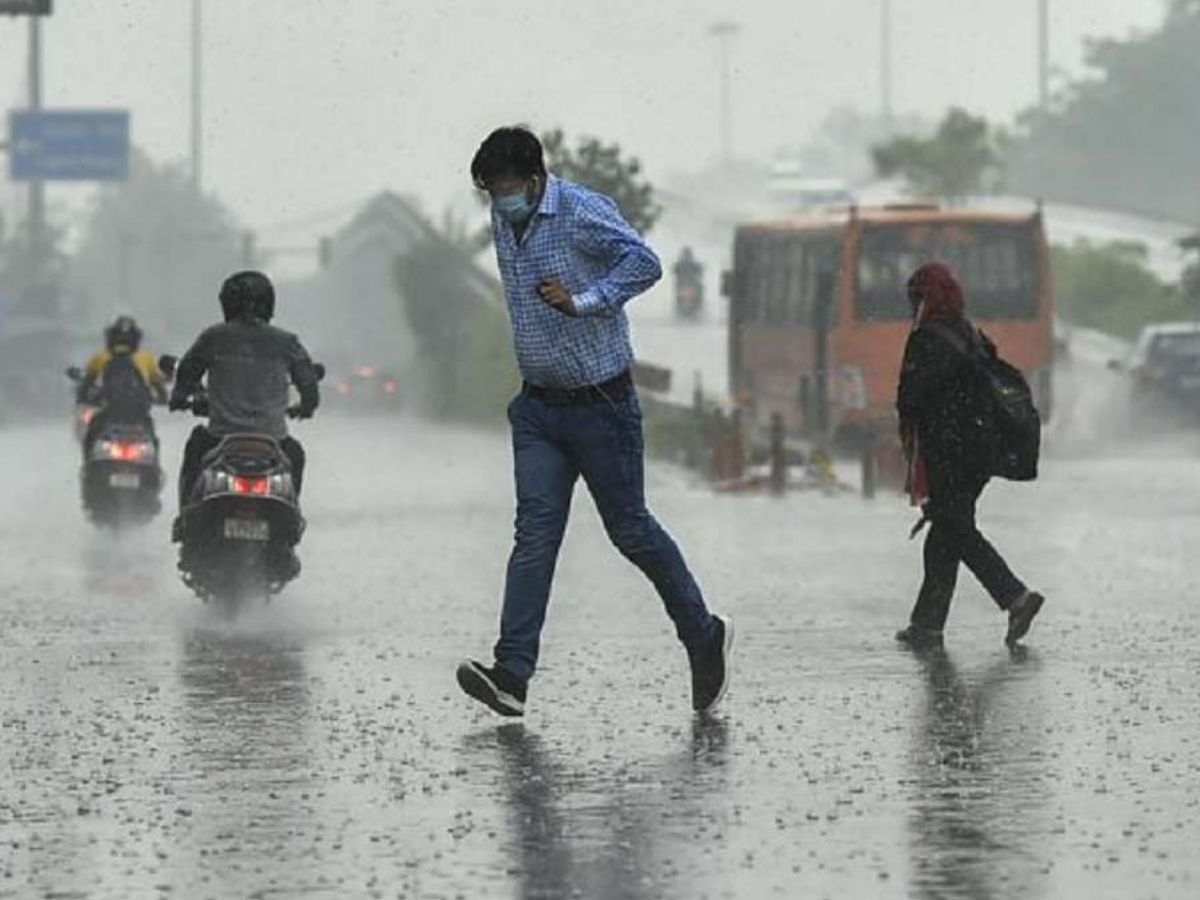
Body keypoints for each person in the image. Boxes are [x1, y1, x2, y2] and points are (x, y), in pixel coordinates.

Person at [456, 126, 733, 718]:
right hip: (538, 410)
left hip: (602, 406)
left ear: (534, 181)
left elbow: (646, 263)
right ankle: (512, 674)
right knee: (534, 537)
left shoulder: (581, 212)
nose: (498, 203)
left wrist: (584, 299)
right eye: (490, 193)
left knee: (630, 531)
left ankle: (703, 635)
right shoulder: (505, 221)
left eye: (505, 189)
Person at [894, 262, 1044, 648]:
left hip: (949, 452)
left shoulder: (926, 339)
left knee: (955, 529)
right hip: (981, 452)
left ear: (923, 299)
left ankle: (1015, 596)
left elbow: (911, 398)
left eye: (914, 298)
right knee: (945, 530)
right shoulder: (970, 334)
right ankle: (927, 625)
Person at [168, 271, 319, 534]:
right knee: (296, 454)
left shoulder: (213, 337)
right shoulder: (287, 342)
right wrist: (307, 406)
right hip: (273, 440)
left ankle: (185, 520)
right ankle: (291, 526)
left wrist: (180, 397)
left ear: (227, 302)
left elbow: (187, 373)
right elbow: (308, 383)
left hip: (219, 438)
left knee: (195, 449)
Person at [78, 315, 168, 456]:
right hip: (139, 415)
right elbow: (160, 389)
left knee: (91, 433)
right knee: (152, 438)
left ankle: (87, 467)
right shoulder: (146, 359)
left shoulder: (100, 358)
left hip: (109, 413)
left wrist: (85, 398)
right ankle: (155, 470)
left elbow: (85, 387)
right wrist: (162, 399)